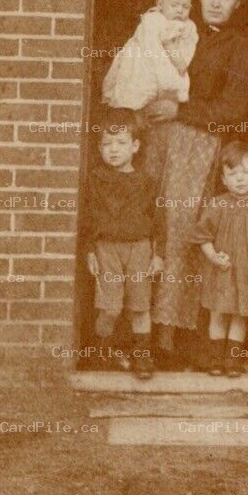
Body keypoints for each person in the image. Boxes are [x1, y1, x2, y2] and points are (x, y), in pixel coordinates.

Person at [145, 0, 248, 364]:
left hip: (198, 148)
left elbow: (233, 109)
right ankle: (137, 335)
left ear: (237, 3)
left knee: (186, 234)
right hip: (159, 143)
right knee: (151, 226)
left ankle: (175, 341)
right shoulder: (180, 32)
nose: (215, 2)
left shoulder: (240, 47)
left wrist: (179, 110)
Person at [84, 106, 162, 381]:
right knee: (110, 307)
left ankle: (142, 356)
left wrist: (158, 254)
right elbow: (88, 219)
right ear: (99, 147)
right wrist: (90, 251)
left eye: (121, 143)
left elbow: (158, 219)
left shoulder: (147, 182)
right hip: (107, 249)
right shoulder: (95, 180)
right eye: (107, 144)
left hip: (140, 247)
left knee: (140, 305)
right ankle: (102, 352)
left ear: (135, 146)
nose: (114, 150)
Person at [193, 141, 248, 377]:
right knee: (218, 313)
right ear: (224, 180)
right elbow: (203, 237)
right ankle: (215, 359)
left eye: (246, 172)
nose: (240, 179)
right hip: (222, 269)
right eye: (232, 174)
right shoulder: (217, 204)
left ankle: (232, 361)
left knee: (240, 314)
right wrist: (213, 256)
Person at [102, 0, 198, 113]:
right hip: (145, 65)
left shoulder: (187, 26)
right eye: (175, 5)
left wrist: (179, 58)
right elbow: (150, 47)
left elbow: (187, 51)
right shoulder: (153, 21)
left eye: (185, 7)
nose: (180, 10)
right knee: (139, 89)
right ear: (160, 4)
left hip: (169, 66)